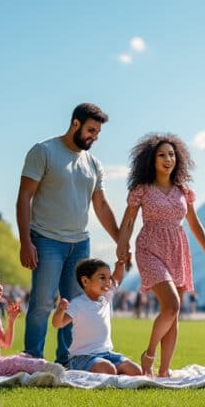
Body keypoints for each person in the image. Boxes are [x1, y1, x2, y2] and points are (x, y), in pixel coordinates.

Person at [19, 102, 122, 367]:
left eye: (97, 132)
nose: (94, 137)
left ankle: (67, 360)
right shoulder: (43, 151)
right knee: (42, 303)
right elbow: (24, 197)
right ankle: (33, 360)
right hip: (46, 239)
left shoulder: (94, 164)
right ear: (75, 123)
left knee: (73, 304)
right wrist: (25, 241)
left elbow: (101, 205)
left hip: (80, 243)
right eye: (90, 130)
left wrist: (121, 240)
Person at [117, 133, 205, 378]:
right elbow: (129, 220)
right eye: (162, 154)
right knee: (171, 305)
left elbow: (194, 223)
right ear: (152, 160)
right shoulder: (142, 189)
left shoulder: (184, 190)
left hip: (177, 248)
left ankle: (164, 370)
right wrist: (122, 244)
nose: (167, 159)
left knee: (174, 313)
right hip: (149, 247)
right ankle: (149, 355)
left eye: (171, 154)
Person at [51, 258, 143, 376]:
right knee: (108, 370)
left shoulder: (106, 298)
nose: (108, 282)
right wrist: (60, 310)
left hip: (107, 354)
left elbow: (117, 280)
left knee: (136, 371)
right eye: (102, 278)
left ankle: (112, 371)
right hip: (83, 356)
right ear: (85, 281)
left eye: (109, 278)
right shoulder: (77, 304)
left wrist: (120, 266)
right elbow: (58, 324)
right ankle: (82, 369)